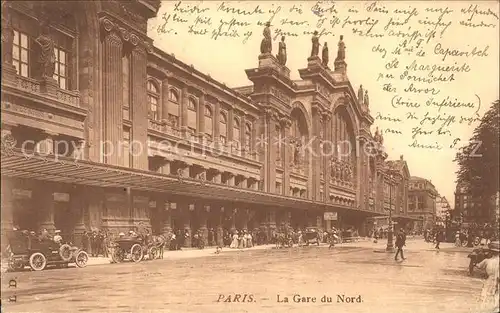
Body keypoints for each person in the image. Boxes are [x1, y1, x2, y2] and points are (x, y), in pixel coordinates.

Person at [475, 242, 500, 313]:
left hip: (489, 280)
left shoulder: (486, 261)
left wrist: (476, 264)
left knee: (484, 296)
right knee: (496, 296)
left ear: (491, 252)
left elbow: (478, 266)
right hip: (498, 280)